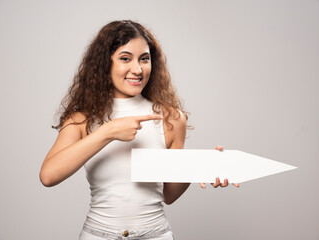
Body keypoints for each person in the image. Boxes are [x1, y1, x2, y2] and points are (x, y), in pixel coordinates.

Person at [39, 20, 239, 240]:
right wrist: (108, 132)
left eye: (144, 59)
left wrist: (201, 168)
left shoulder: (172, 118)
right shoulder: (82, 119)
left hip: (155, 235)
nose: (137, 69)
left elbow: (168, 195)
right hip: (98, 235)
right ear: (105, 64)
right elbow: (48, 176)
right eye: (125, 58)